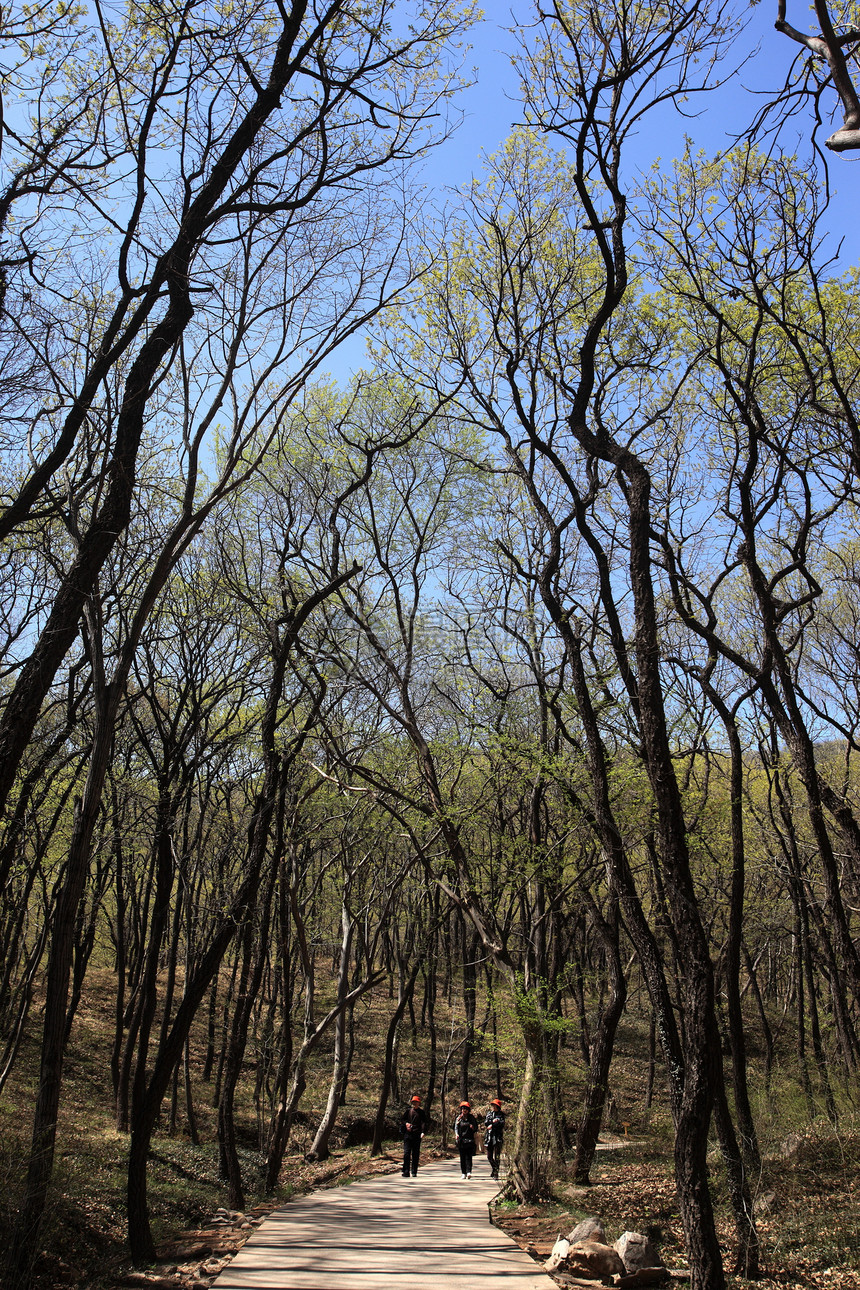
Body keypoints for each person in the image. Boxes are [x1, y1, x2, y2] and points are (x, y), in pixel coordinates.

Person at [400, 1094, 426, 1178]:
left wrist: (423, 1132)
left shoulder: (421, 1112)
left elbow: (424, 1122)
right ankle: (406, 1171)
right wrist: (406, 1124)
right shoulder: (408, 1111)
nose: (415, 1103)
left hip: (417, 1135)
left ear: (419, 1103)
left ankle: (414, 1171)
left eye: (416, 1102)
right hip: (408, 1135)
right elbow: (403, 1119)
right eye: (413, 1102)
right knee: (406, 1153)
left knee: (415, 1154)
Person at [453, 1100, 478, 1179]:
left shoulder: (471, 1118)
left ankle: (469, 1171)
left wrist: (472, 1127)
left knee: (469, 1157)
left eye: (466, 1109)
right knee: (462, 1157)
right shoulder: (459, 1118)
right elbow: (456, 1128)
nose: (464, 1110)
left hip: (470, 1140)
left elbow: (476, 1128)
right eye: (463, 1108)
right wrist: (456, 1134)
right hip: (461, 1140)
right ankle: (463, 1172)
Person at [484, 1098, 505, 1179]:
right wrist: (493, 1122)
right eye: (492, 1105)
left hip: (498, 1137)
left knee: (497, 1155)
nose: (493, 1107)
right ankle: (494, 1168)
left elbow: (501, 1123)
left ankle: (496, 1172)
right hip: (490, 1136)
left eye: (495, 1105)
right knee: (489, 1156)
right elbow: (486, 1122)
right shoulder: (489, 1113)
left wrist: (493, 1124)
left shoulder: (501, 1114)